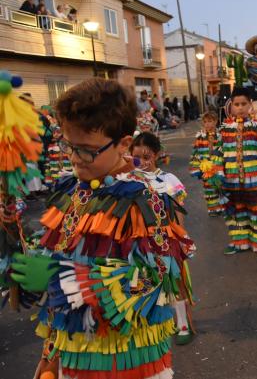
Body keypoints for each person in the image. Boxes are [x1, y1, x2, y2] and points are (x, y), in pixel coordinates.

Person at [9, 78, 196, 378]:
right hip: (69, 350)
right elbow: (52, 253)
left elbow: (156, 279)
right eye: (68, 145)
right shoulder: (70, 189)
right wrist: (19, 265)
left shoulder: (147, 199)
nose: (72, 158)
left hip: (127, 358)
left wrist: (63, 278)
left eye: (86, 150)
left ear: (123, 143)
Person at [129, 132, 194, 345]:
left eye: (147, 157)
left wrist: (182, 238)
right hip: (140, 244)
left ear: (156, 155)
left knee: (175, 281)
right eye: (137, 158)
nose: (142, 163)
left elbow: (179, 212)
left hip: (167, 239)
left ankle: (183, 323)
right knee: (145, 283)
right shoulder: (128, 182)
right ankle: (159, 324)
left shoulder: (169, 180)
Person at [212, 87, 257, 258]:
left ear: (250, 105)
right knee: (236, 212)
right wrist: (217, 173)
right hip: (232, 181)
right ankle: (239, 241)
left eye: (244, 103)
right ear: (231, 106)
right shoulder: (224, 130)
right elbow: (218, 153)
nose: (240, 107)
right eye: (237, 104)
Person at [189, 110, 224, 216]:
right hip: (206, 167)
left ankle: (220, 207)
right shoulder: (200, 136)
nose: (208, 124)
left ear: (216, 121)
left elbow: (224, 149)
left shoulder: (220, 135)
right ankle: (212, 209)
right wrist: (196, 166)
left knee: (219, 187)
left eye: (210, 121)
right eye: (205, 122)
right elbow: (195, 151)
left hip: (218, 166)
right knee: (208, 188)